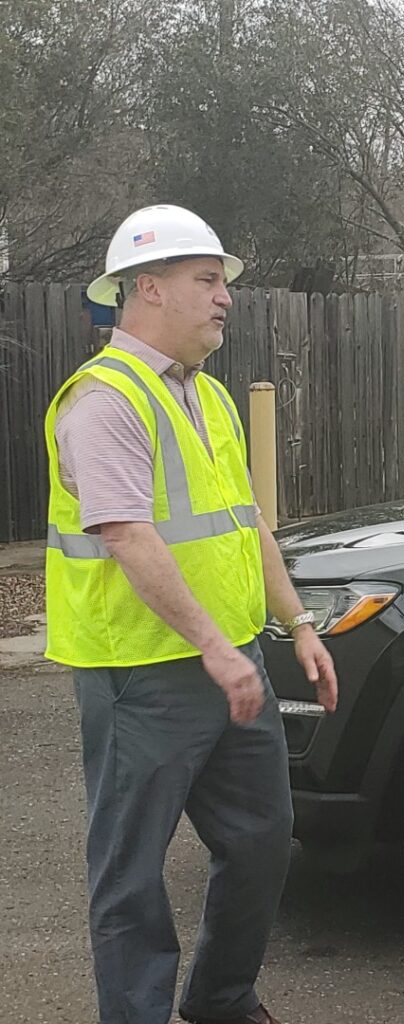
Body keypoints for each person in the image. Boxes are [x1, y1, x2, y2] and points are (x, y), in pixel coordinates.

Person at [45, 204, 338, 1024]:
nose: (225, 299)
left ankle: (221, 999)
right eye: (206, 281)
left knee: (260, 841)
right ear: (148, 288)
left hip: (230, 662)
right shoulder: (104, 402)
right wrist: (215, 646)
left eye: (222, 284)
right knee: (131, 875)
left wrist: (300, 626)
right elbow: (128, 536)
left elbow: (248, 524)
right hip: (142, 673)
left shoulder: (206, 397)